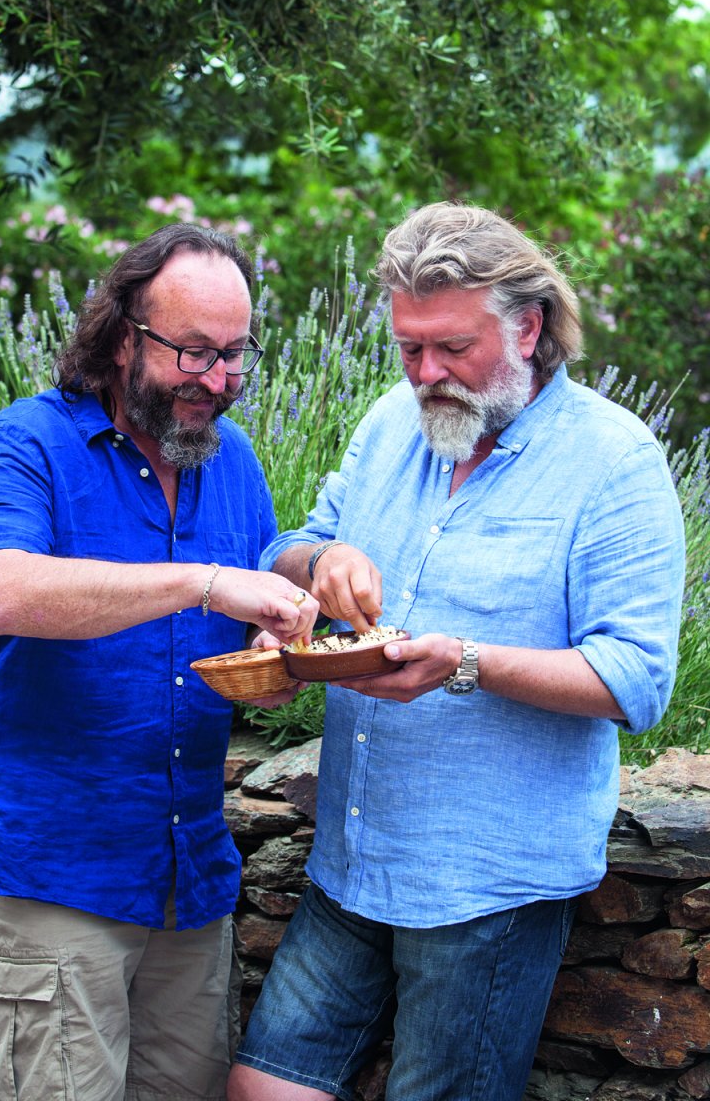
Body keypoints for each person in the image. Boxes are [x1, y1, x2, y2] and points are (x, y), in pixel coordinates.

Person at [227, 202, 686, 1101]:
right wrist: (322, 562)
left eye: (451, 348)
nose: (426, 373)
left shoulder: (615, 460)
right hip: (352, 858)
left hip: (489, 884)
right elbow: (289, 545)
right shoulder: (389, 424)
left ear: (528, 326)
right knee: (259, 1090)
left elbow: (637, 677)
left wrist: (467, 662)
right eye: (408, 349)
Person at [0, 222, 319, 1101]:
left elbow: (237, 614)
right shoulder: (30, 440)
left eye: (234, 355)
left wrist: (275, 649)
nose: (217, 382)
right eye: (192, 352)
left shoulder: (234, 457)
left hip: (183, 860)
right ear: (120, 335)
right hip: (45, 850)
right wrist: (206, 584)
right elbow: (3, 592)